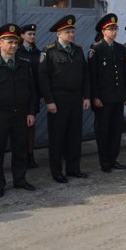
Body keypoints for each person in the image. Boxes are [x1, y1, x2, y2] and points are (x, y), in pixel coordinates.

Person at [0, 24, 38, 197]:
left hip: (20, 114)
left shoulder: (24, 64)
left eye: (16, 42)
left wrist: (31, 112)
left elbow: (32, 91)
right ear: (0, 43)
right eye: (9, 42)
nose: (13, 45)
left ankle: (20, 179)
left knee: (20, 149)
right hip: (0, 116)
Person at [38, 15, 90, 183]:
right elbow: (43, 77)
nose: (71, 35)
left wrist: (86, 96)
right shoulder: (49, 51)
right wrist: (49, 100)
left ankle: (74, 168)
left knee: (75, 136)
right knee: (57, 137)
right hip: (58, 99)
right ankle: (57, 171)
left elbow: (85, 75)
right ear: (58, 34)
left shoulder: (78, 50)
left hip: (75, 97)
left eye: (73, 32)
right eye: (68, 32)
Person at [88, 14, 126, 173]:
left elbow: (124, 73)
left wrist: (125, 93)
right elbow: (93, 76)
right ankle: (105, 162)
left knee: (116, 130)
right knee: (103, 131)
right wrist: (95, 97)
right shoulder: (96, 49)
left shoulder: (120, 48)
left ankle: (113, 159)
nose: (114, 31)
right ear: (103, 31)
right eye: (110, 29)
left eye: (115, 28)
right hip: (103, 98)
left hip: (118, 96)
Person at [16, 23, 42, 169]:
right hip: (20, 94)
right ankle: (22, 156)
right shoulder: (18, 52)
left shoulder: (37, 53)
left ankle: (30, 155)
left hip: (33, 95)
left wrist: (42, 94)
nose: (32, 36)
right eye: (29, 34)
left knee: (30, 127)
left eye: (33, 34)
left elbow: (41, 76)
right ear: (22, 35)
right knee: (20, 128)